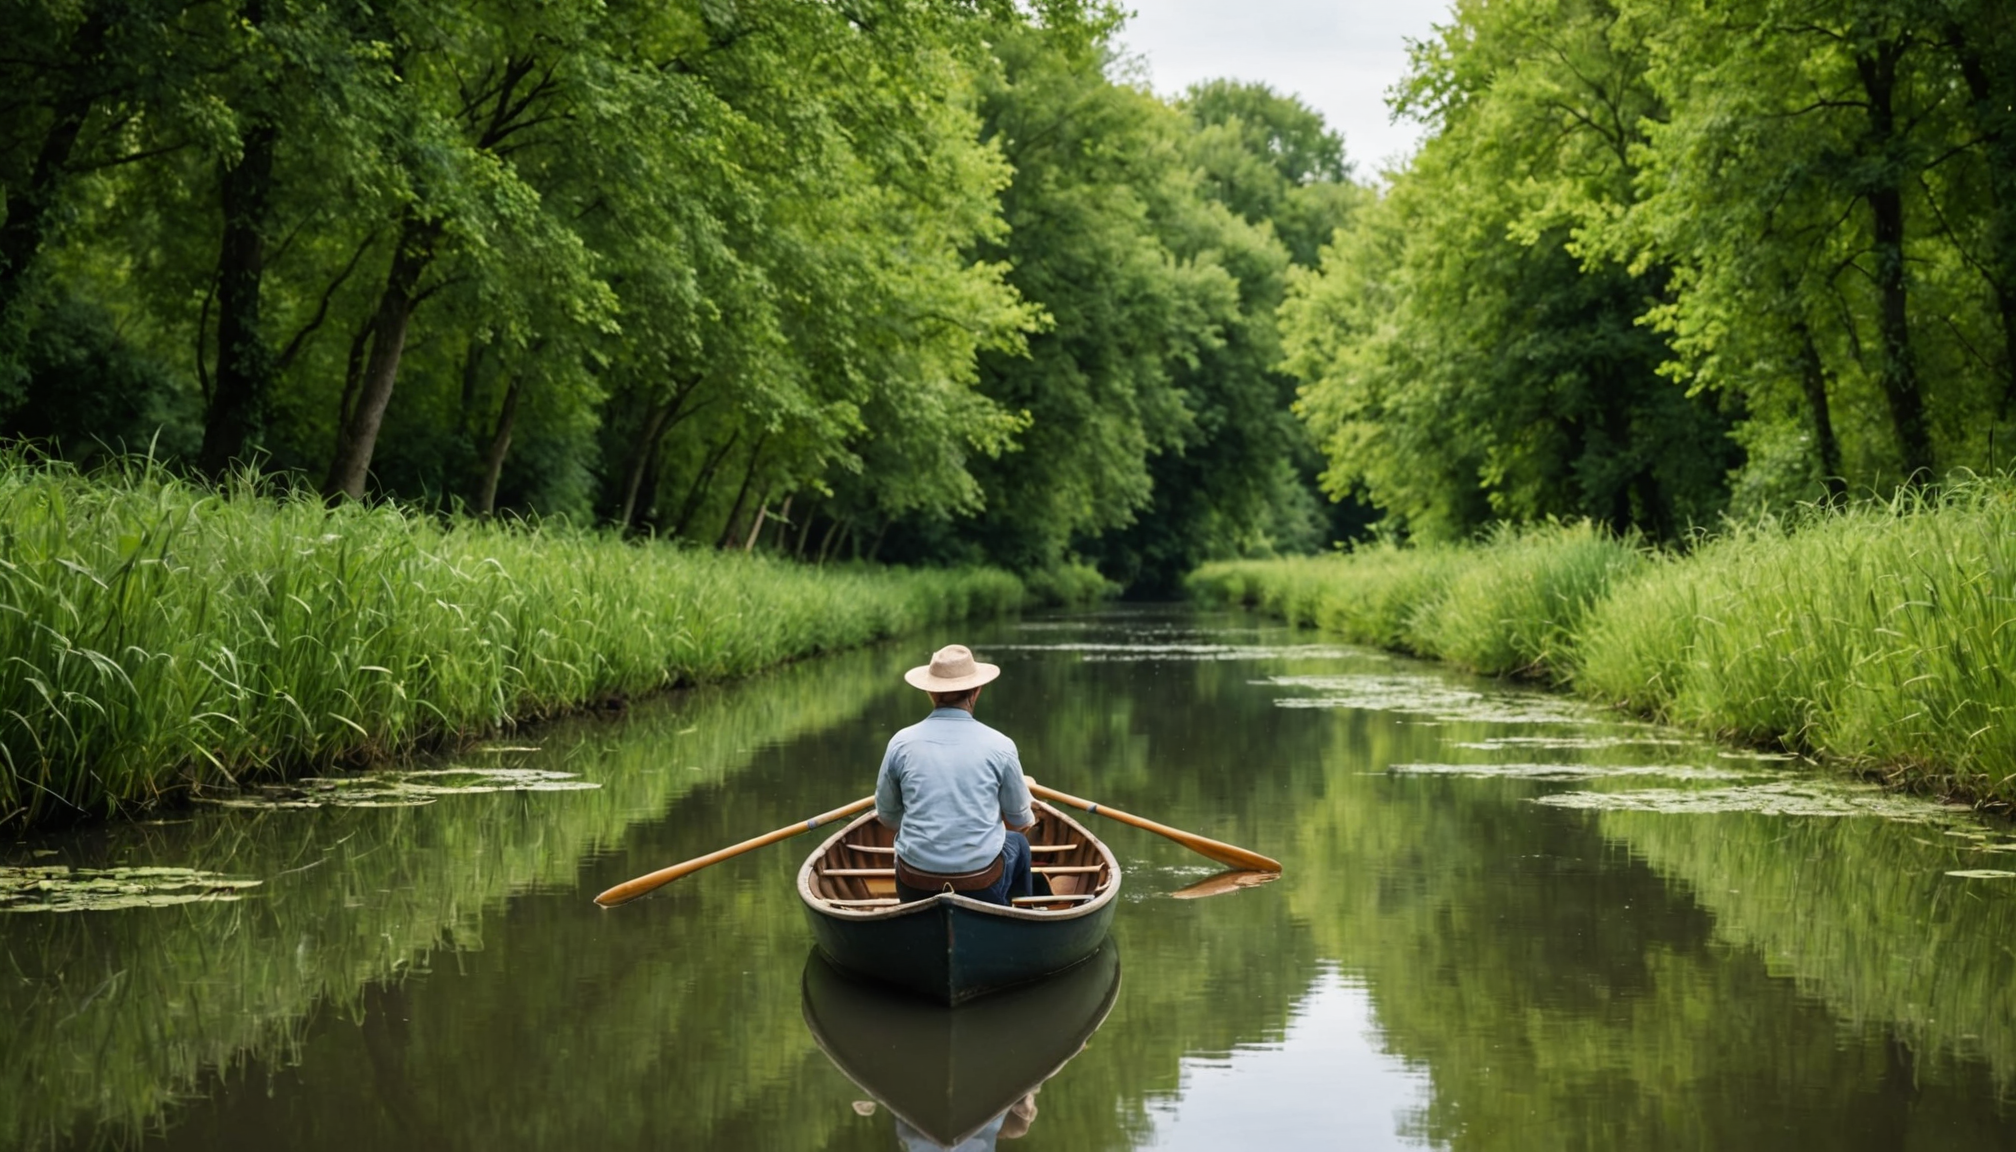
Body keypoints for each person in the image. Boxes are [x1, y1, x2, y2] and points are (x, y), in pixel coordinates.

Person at [876, 644, 1044, 906]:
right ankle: (1020, 916)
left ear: (931, 691)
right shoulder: (1000, 745)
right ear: (976, 692)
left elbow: (887, 817)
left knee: (905, 849)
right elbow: (1019, 819)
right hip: (981, 883)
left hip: (915, 882)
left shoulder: (900, 743)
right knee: (1018, 845)